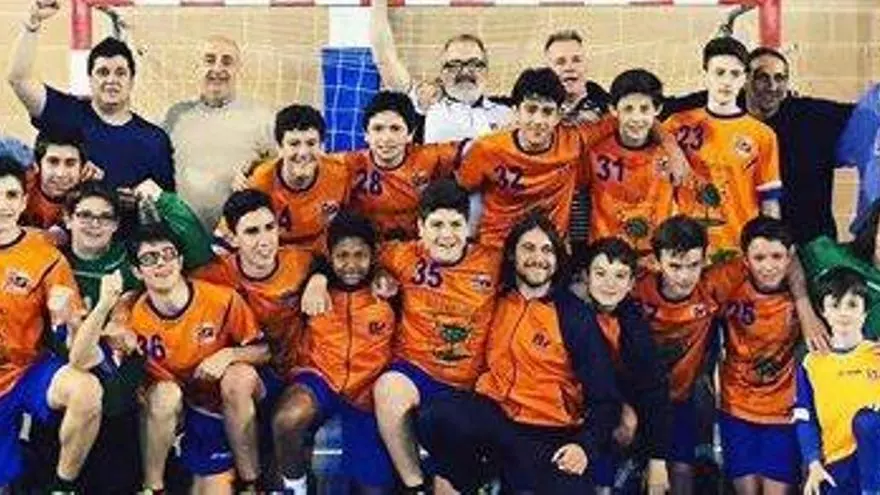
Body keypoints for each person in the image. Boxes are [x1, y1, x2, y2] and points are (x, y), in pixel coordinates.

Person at [302, 179, 501, 493]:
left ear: (468, 227)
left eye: (455, 224)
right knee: (387, 387)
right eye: (436, 225)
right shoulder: (401, 255)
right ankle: (413, 484)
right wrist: (318, 277)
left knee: (449, 479)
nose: (446, 235)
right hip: (414, 370)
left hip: (465, 382)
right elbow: (345, 254)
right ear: (420, 227)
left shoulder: (493, 262)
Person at [416, 212, 621, 494]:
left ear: (557, 259)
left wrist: (584, 446)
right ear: (512, 254)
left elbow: (605, 398)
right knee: (433, 417)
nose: (538, 257)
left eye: (547, 250)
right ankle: (478, 478)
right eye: (529, 248)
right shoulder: (495, 299)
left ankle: (505, 476)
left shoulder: (574, 316)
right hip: (495, 418)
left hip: (548, 431)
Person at [124, 222, 268, 493]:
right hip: (177, 409)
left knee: (240, 375)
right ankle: (153, 487)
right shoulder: (132, 317)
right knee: (164, 395)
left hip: (222, 401)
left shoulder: (221, 299)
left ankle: (252, 484)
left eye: (168, 254)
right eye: (149, 258)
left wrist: (228, 354)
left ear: (180, 260)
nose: (161, 263)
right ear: (136, 271)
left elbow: (264, 350)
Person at [665, 45, 853, 245]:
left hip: (809, 240)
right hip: (744, 242)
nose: (772, 86)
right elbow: (654, 112)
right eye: (762, 77)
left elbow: (866, 115)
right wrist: (671, 148)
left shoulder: (811, 116)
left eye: (780, 78)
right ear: (745, 80)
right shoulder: (713, 105)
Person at [193, 189, 316, 490]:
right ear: (233, 238)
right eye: (251, 232)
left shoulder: (302, 263)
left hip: (297, 374)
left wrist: (320, 279)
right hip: (252, 378)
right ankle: (252, 483)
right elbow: (162, 289)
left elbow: (342, 264)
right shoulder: (214, 275)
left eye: (269, 227)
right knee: (237, 377)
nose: (264, 240)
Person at [273, 211, 396, 494]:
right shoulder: (312, 287)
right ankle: (296, 487)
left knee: (372, 488)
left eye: (360, 255)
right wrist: (317, 278)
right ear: (330, 256)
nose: (351, 265)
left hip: (366, 392)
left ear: (373, 256)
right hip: (319, 378)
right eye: (342, 256)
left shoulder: (389, 291)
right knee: (288, 418)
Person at [0, 158, 104, 491]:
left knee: (86, 390)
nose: (2, 205)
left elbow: (79, 345)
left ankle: (63, 486)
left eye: (11, 195)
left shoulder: (45, 254)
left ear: (23, 201)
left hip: (26, 372)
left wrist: (70, 317)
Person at [7, 0, 174, 191]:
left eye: (120, 73)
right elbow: (19, 80)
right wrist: (32, 24)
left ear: (132, 79)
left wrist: (146, 198)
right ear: (90, 78)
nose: (111, 80)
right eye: (103, 72)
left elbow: (169, 202)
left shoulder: (154, 140)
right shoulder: (67, 113)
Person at [456, 67, 616, 248]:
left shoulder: (573, 141)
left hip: (549, 250)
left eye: (547, 112)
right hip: (497, 247)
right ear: (516, 112)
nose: (538, 120)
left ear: (558, 116)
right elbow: (458, 191)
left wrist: (596, 94)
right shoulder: (487, 149)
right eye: (531, 110)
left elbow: (624, 118)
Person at [662, 37, 781, 262]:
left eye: (734, 74)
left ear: (744, 79)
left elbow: (769, 202)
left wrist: (771, 251)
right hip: (688, 252)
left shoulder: (762, 135)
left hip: (739, 250)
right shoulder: (676, 125)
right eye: (719, 73)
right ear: (706, 75)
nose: (726, 81)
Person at [570, 237, 671, 495]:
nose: (609, 284)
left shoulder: (633, 324)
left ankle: (610, 481)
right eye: (600, 273)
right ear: (586, 276)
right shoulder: (565, 309)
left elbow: (654, 387)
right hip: (561, 397)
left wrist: (658, 460)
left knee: (625, 421)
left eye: (620, 276)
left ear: (631, 283)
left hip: (607, 401)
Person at [713, 217, 802, 495]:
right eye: (759, 258)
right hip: (736, 407)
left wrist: (805, 306)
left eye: (777, 256)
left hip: (782, 412)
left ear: (790, 257)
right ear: (746, 260)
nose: (768, 266)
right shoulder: (728, 283)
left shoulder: (803, 294)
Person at [632, 215, 719, 495]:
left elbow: (784, 258)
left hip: (680, 399)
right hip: (634, 400)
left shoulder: (713, 286)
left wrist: (803, 303)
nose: (685, 276)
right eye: (675, 266)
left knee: (682, 471)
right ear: (656, 262)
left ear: (705, 259)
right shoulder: (635, 287)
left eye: (693, 265)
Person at [163, 35, 275, 229]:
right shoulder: (174, 116)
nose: (217, 68)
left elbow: (280, 171)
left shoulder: (263, 119)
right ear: (197, 67)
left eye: (227, 61)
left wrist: (257, 175)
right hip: (183, 235)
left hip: (236, 238)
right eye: (209, 60)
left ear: (238, 69)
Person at [369, 0, 511, 143]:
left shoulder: (506, 114)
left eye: (474, 64)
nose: (465, 72)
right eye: (454, 65)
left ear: (486, 71)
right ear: (442, 73)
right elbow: (385, 59)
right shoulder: (427, 103)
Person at [795, 268, 880, 495]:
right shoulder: (812, 362)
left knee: (867, 421)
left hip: (876, 462)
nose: (844, 313)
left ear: (865, 312)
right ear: (823, 311)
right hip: (837, 463)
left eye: (852, 305)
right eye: (835, 305)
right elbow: (805, 418)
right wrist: (813, 463)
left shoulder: (877, 355)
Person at [335, 90, 463, 240]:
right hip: (368, 249)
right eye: (378, 128)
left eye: (395, 129)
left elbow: (478, 149)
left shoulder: (430, 157)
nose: (386, 138)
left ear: (410, 134)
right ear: (366, 134)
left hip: (418, 248)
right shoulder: (347, 165)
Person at [585, 69, 675, 257]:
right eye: (628, 109)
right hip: (606, 258)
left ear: (657, 109)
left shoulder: (671, 154)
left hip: (654, 258)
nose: (636, 118)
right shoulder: (594, 152)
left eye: (644, 109)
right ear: (613, 110)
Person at [238, 104, 349, 253]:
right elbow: (230, 237)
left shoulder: (340, 173)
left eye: (311, 143)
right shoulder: (259, 182)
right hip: (275, 257)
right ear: (279, 148)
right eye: (294, 144)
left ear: (322, 146)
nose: (303, 152)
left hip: (322, 257)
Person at [20, 132, 87, 231]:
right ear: (37, 165)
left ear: (82, 168)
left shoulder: (92, 196)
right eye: (53, 162)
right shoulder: (19, 185)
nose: (60, 174)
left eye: (70, 163)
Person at [837, 81, 880, 233]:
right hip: (871, 221)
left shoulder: (872, 101)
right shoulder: (872, 102)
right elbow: (847, 153)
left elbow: (847, 153)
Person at [543, 29, 611, 124]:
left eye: (576, 60)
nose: (569, 67)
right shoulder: (536, 116)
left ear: (586, 65)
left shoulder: (611, 112)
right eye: (560, 62)